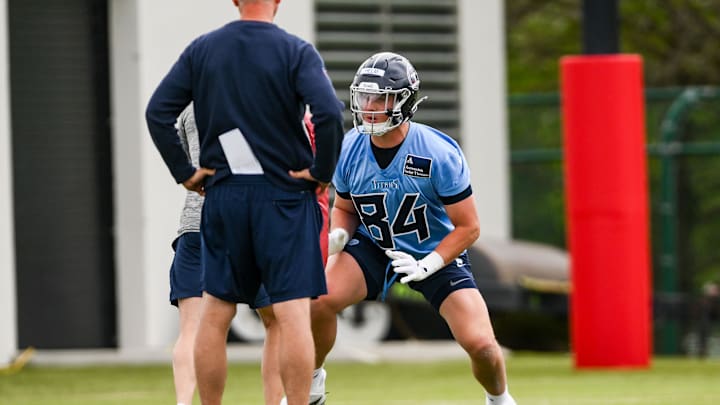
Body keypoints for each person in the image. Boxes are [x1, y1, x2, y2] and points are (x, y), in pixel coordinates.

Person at [145, 1, 344, 404]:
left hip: (225, 197)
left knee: (215, 314)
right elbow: (327, 113)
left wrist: (185, 172)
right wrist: (321, 173)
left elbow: (158, 112)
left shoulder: (203, 49)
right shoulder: (296, 51)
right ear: (279, 1)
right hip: (284, 197)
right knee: (291, 317)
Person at [306, 52, 518, 405]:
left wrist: (428, 264)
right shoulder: (349, 147)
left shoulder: (436, 152)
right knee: (318, 301)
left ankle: (499, 399)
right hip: (373, 244)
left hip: (432, 249)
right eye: (365, 96)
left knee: (481, 344)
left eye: (381, 98)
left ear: (404, 101)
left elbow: (469, 227)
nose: (370, 106)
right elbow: (344, 207)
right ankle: (310, 384)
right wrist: (340, 235)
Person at [169, 104, 330, 405]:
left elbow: (183, 152)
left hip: (193, 224)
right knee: (278, 322)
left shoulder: (191, 108)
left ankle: (184, 403)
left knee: (193, 327)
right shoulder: (258, 99)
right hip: (248, 222)